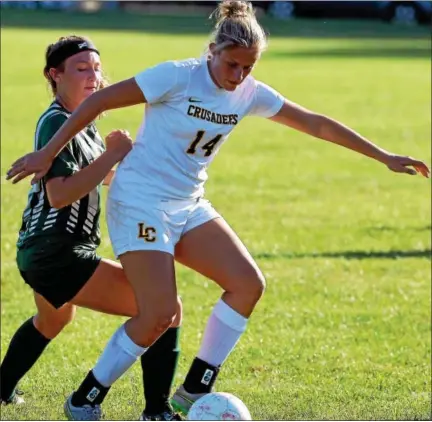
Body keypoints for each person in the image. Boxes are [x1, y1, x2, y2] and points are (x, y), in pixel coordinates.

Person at [6, 1, 430, 420]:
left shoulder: (248, 93)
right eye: (232, 65)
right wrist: (47, 153)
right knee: (157, 313)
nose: (239, 76)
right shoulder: (176, 76)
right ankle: (86, 397)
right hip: (139, 201)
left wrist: (383, 156)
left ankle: (193, 390)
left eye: (248, 68)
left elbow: (315, 123)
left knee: (247, 284)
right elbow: (99, 103)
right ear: (213, 51)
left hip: (188, 204)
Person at [1, 35, 183, 421]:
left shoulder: (85, 124)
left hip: (40, 250)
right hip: (58, 252)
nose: (93, 76)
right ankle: (156, 411)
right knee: (163, 309)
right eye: (81, 69)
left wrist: (147, 178)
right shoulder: (55, 121)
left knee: (54, 318)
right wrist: (113, 155)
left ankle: (0, 389)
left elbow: (97, 177)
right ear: (55, 75)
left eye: (97, 69)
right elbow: (59, 195)